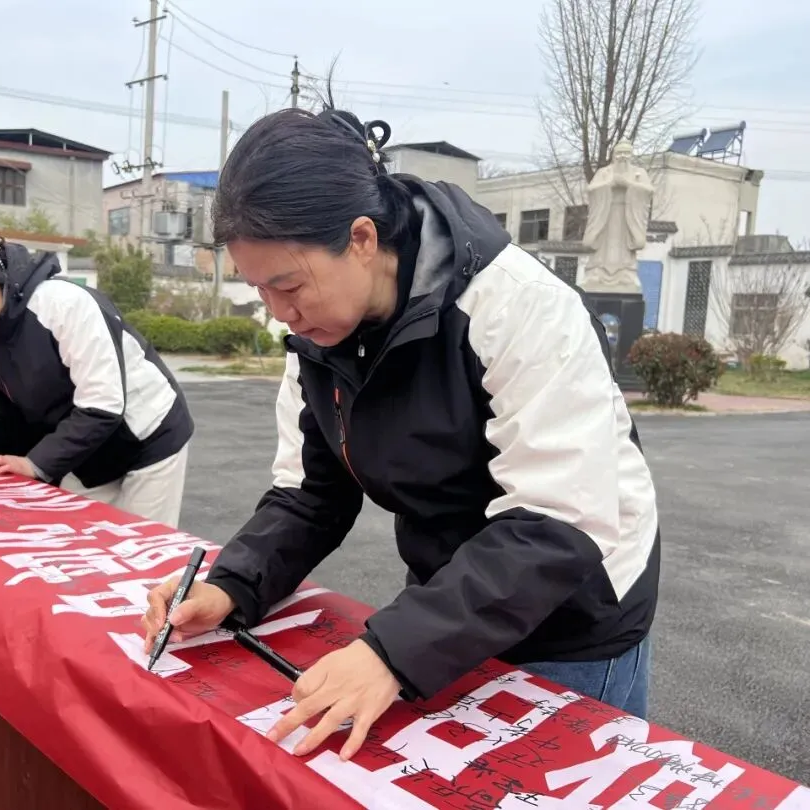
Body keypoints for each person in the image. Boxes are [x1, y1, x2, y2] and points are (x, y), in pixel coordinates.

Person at [140, 108, 660, 761]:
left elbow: (558, 521)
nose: (279, 313)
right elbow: (310, 493)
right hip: (453, 597)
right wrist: (231, 584)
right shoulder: (317, 335)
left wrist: (392, 652)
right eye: (258, 289)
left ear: (361, 238)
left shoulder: (516, 304)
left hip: (571, 605)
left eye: (288, 285)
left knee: (548, 782)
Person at [0, 225, 195, 527]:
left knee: (141, 542)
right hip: (86, 451)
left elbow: (102, 406)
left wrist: (34, 464)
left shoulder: (62, 305)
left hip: (147, 437)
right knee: (78, 536)